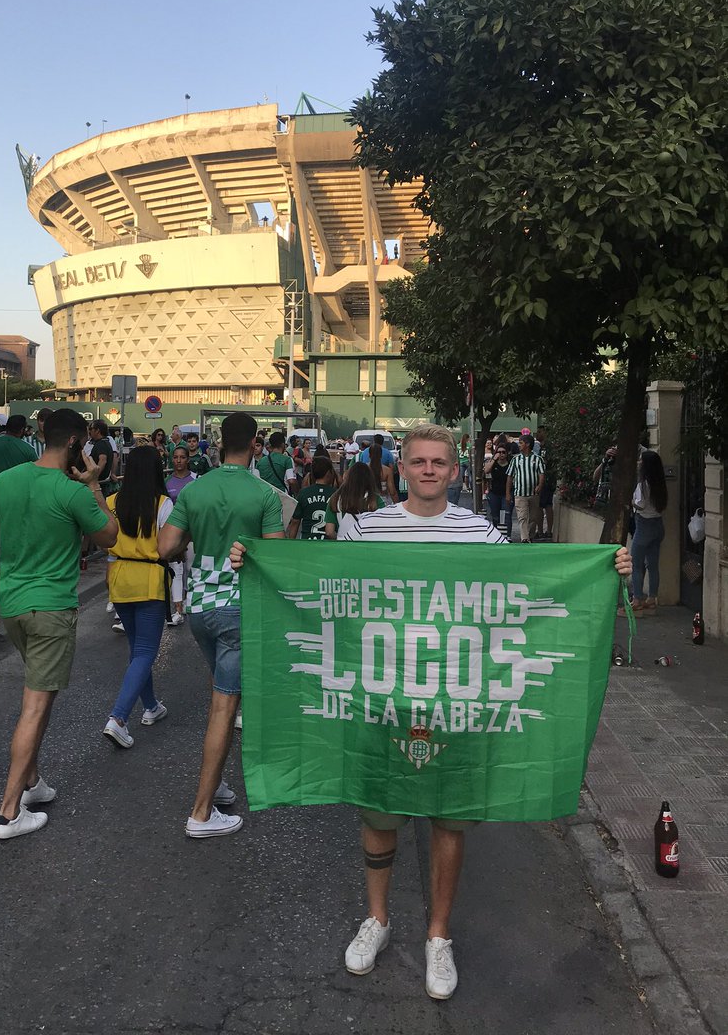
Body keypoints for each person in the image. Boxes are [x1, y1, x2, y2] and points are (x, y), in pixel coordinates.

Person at [228, 423, 633, 1002]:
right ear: (402, 468)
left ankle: (438, 934)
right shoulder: (366, 530)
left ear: (454, 470)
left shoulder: (481, 534)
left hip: (460, 702)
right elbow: (317, 588)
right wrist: (257, 562)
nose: (428, 470)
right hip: (379, 700)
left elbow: (531, 593)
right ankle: (378, 918)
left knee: (450, 812)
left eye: (439, 462)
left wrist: (605, 571)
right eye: (418, 461)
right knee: (379, 810)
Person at [0, 409, 119, 840]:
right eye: (85, 443)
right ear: (75, 442)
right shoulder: (71, 490)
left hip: (13, 607)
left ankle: (32, 783)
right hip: (51, 608)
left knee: (36, 693)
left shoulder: (5, 481)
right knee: (36, 707)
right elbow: (110, 534)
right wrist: (93, 485)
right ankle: (8, 812)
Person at [158, 411, 285, 838]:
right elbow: (275, 559)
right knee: (225, 706)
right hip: (240, 611)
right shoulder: (265, 496)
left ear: (216, 444)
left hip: (200, 609)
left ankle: (218, 784)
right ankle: (201, 812)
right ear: (254, 445)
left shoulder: (196, 491)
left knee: (222, 698)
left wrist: (199, 535)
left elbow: (167, 546)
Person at [102, 445, 173, 748]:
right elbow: (171, 546)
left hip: (119, 577)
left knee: (137, 650)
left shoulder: (111, 501)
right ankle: (118, 718)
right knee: (145, 651)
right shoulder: (162, 503)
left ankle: (151, 706)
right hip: (149, 578)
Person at [627, 450, 668, 617]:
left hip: (643, 525)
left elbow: (640, 505)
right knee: (652, 565)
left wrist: (630, 501)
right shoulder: (660, 483)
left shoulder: (642, 484)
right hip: (658, 525)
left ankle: (637, 600)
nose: (638, 463)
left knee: (636, 564)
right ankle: (652, 598)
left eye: (640, 461)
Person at [164, 444, 196, 624]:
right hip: (174, 532)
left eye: (182, 457)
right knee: (176, 568)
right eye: (175, 457)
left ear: (187, 459)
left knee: (190, 566)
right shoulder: (167, 482)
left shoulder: (195, 480)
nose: (178, 461)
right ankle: (178, 603)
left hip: (192, 533)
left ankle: (188, 597)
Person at [324, 462, 384, 539]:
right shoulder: (375, 500)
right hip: (366, 547)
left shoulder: (336, 499)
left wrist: (339, 538)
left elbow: (329, 532)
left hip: (342, 546)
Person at [506, 432, 544, 543]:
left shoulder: (538, 459)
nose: (519, 445)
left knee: (532, 517)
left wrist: (540, 485)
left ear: (527, 444)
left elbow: (541, 474)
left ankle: (530, 535)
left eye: (521, 443)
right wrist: (508, 493)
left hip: (533, 493)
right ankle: (524, 538)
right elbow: (509, 477)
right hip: (520, 493)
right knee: (522, 517)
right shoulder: (515, 460)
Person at [287, 455, 335, 540]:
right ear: (329, 473)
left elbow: (295, 521)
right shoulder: (336, 494)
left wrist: (291, 543)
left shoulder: (304, 493)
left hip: (307, 541)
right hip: (329, 543)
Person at [484, 443, 513, 538]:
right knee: (495, 516)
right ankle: (496, 535)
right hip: (494, 493)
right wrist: (494, 459)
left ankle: (507, 535)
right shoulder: (493, 463)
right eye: (499, 452)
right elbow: (486, 470)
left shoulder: (510, 464)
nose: (501, 454)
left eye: (503, 452)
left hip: (506, 493)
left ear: (507, 453)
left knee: (507, 515)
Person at [257, 430, 297, 495]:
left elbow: (257, 481)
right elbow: (291, 481)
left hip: (265, 496)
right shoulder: (287, 460)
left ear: (271, 445)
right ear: (283, 444)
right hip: (282, 496)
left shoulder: (261, 461)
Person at [367, 440, 398, 504]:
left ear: (369, 455)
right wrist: (397, 505)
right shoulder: (387, 470)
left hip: (368, 500)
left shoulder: (364, 468)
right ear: (381, 455)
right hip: (384, 501)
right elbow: (392, 492)